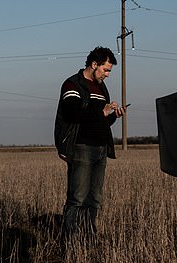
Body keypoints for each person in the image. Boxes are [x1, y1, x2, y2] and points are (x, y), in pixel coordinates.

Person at [55, 46, 126, 241]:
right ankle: (70, 241)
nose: (107, 75)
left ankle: (88, 238)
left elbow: (100, 121)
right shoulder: (72, 84)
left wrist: (113, 116)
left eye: (109, 71)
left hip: (101, 148)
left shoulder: (101, 88)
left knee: (94, 199)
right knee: (77, 198)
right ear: (94, 65)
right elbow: (72, 113)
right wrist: (100, 112)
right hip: (82, 147)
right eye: (105, 69)